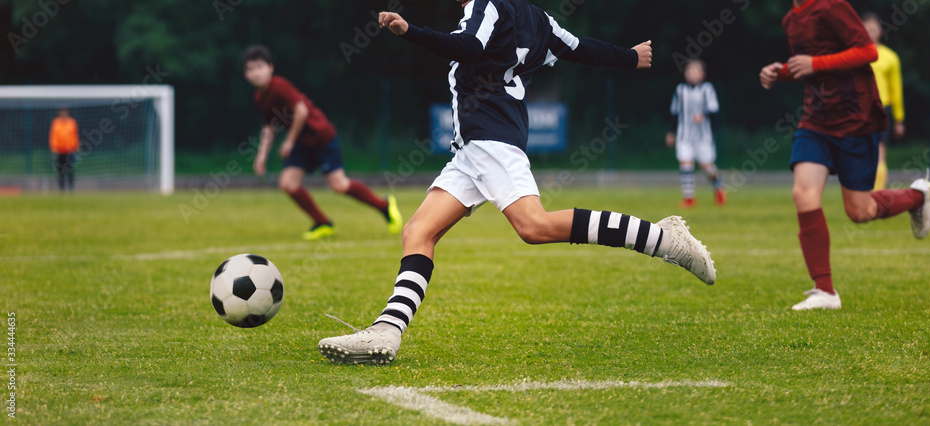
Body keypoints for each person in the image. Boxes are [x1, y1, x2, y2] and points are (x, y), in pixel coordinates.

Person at [317, 0, 716, 365]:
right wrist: (628, 57)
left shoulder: (485, 6)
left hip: (491, 136)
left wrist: (411, 32)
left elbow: (470, 47)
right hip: (472, 149)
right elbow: (576, 47)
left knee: (534, 226)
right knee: (418, 231)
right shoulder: (537, 17)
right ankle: (386, 333)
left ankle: (663, 239)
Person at [759, 0, 930, 311]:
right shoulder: (791, 20)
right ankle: (825, 291)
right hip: (815, 121)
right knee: (803, 193)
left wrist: (814, 65)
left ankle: (916, 197)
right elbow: (807, 65)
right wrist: (780, 72)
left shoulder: (832, 6)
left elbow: (867, 51)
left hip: (855, 119)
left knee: (860, 212)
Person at [242, 45, 402, 240]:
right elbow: (269, 127)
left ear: (270, 68)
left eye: (259, 66)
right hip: (301, 143)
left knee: (339, 185)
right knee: (288, 184)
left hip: (320, 137)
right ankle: (322, 222)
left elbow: (301, 111)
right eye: (250, 69)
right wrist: (261, 156)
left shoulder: (279, 86)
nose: (255, 73)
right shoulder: (259, 97)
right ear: (245, 74)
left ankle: (384, 206)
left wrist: (289, 142)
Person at [665, 59, 725, 208]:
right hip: (684, 135)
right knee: (685, 163)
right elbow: (675, 113)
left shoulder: (707, 89)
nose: (692, 74)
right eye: (690, 71)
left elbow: (714, 111)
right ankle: (689, 197)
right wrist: (671, 132)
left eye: (696, 71)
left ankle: (718, 187)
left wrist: (703, 115)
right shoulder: (680, 90)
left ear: (702, 74)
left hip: (703, 136)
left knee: (707, 166)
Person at [861, 12, 906, 190]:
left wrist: (899, 119)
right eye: (866, 29)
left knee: (879, 151)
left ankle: (877, 193)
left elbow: (897, 90)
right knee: (860, 151)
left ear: (880, 31)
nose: (870, 32)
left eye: (873, 28)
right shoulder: (853, 55)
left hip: (882, 108)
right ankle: (861, 190)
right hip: (858, 108)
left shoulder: (890, 57)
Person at [49, 107, 79, 192]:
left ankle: (71, 188)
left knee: (70, 169)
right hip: (59, 150)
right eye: (61, 111)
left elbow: (75, 135)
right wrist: (53, 147)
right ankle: (61, 188)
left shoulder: (72, 122)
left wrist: (76, 147)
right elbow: (53, 136)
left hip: (70, 150)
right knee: (60, 170)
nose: (63, 112)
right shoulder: (56, 122)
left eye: (64, 111)